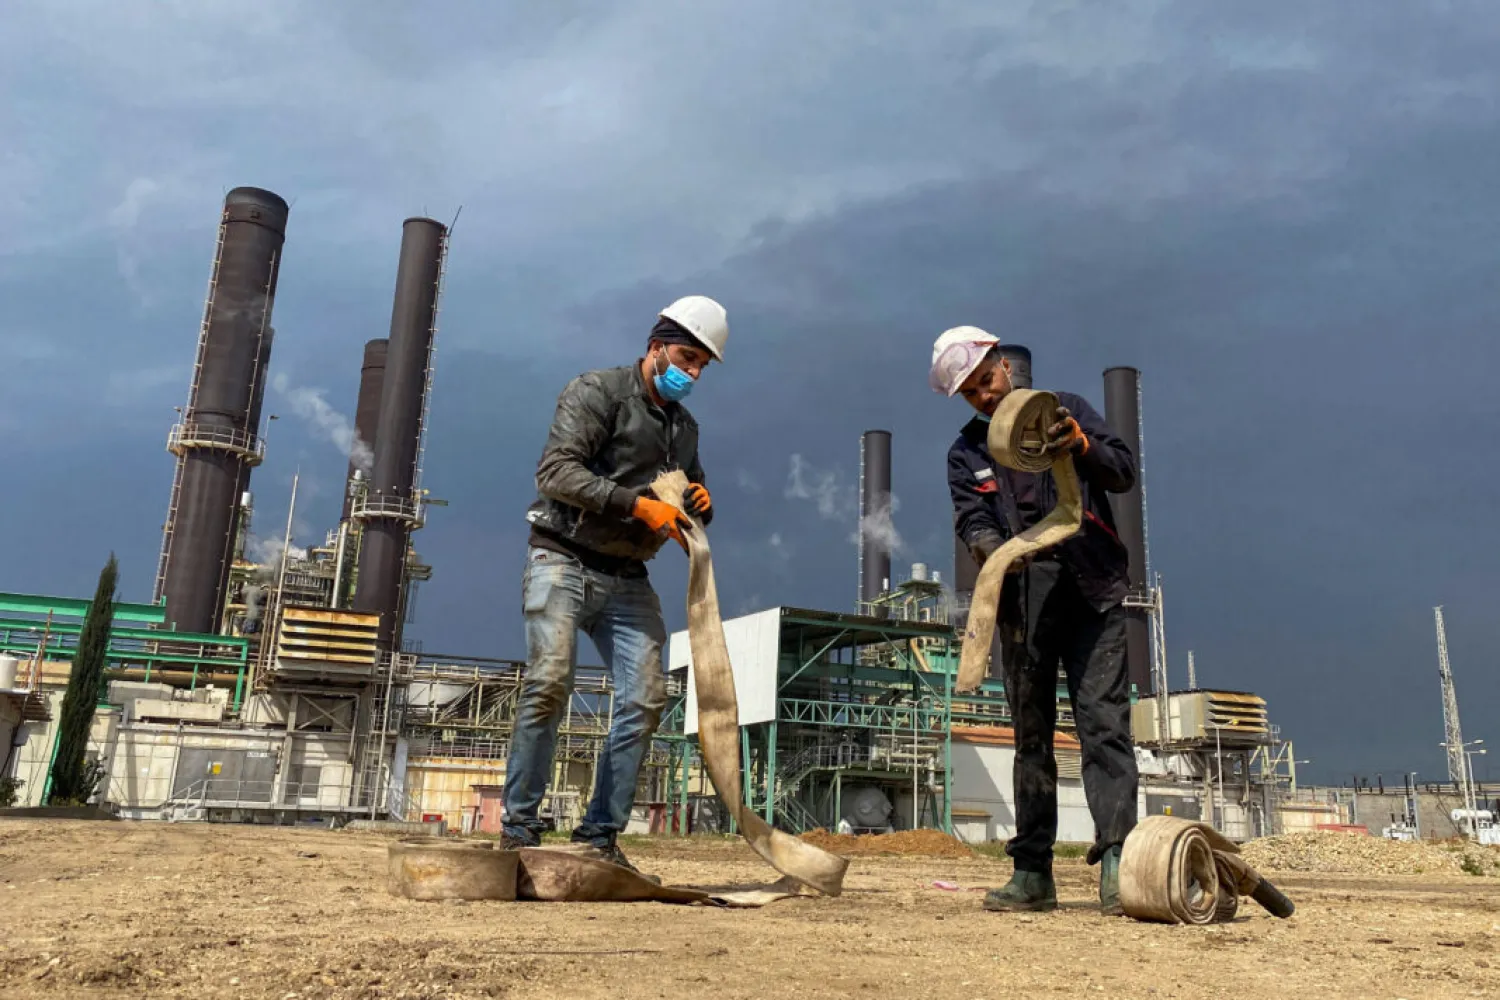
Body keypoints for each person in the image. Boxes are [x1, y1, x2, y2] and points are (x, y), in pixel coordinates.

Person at [501, 295, 729, 877]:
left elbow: (682, 498)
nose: (692, 373)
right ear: (656, 348)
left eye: (702, 365)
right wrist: (636, 505)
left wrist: (699, 505)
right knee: (550, 682)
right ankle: (519, 828)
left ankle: (599, 836)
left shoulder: (684, 430)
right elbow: (555, 473)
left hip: (629, 576)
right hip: (562, 558)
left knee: (646, 699)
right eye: (685, 357)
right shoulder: (597, 393)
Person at [930, 326, 1139, 916]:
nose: (984, 396)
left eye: (985, 380)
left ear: (1003, 364)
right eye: (970, 392)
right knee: (1031, 736)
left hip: (1092, 585)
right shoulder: (966, 453)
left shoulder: (1064, 412)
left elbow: (1121, 471)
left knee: (1104, 726)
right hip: (1023, 596)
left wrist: (1080, 447)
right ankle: (1032, 872)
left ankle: (1118, 862)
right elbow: (972, 518)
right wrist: (992, 550)